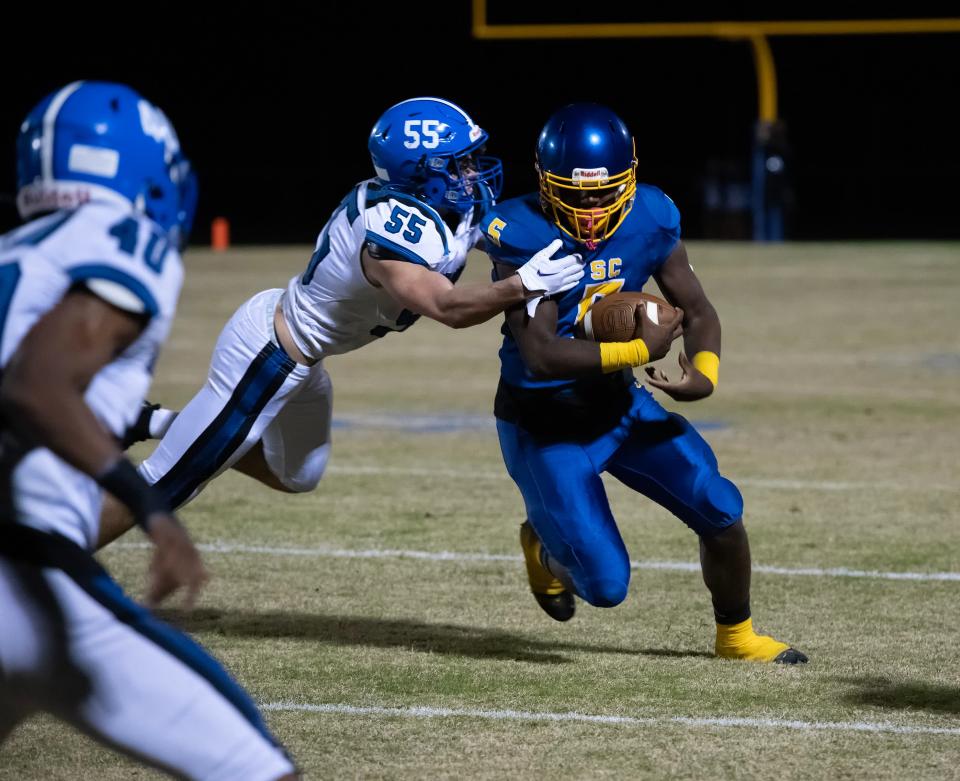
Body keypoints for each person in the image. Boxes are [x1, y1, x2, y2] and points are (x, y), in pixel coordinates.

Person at [97, 96, 583, 546]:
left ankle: (149, 419)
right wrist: (522, 286)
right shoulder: (391, 224)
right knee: (166, 484)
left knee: (298, 475)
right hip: (269, 353)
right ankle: (48, 564)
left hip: (305, 362)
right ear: (420, 173)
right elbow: (449, 308)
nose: (473, 172)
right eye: (459, 163)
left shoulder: (455, 204)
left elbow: (506, 231)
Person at [0, 81, 298, 778]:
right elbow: (37, 385)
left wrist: (133, 420)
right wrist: (152, 510)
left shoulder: (16, 252)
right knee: (257, 768)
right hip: (23, 575)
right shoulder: (119, 233)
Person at [483, 103, 806, 664]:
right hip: (545, 425)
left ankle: (736, 637)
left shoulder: (650, 217)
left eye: (604, 191)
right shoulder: (522, 232)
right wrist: (637, 349)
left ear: (629, 175)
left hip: (618, 407)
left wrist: (704, 372)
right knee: (606, 587)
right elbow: (540, 355)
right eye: (575, 192)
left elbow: (699, 310)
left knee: (720, 507)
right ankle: (544, 547)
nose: (590, 207)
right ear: (543, 183)